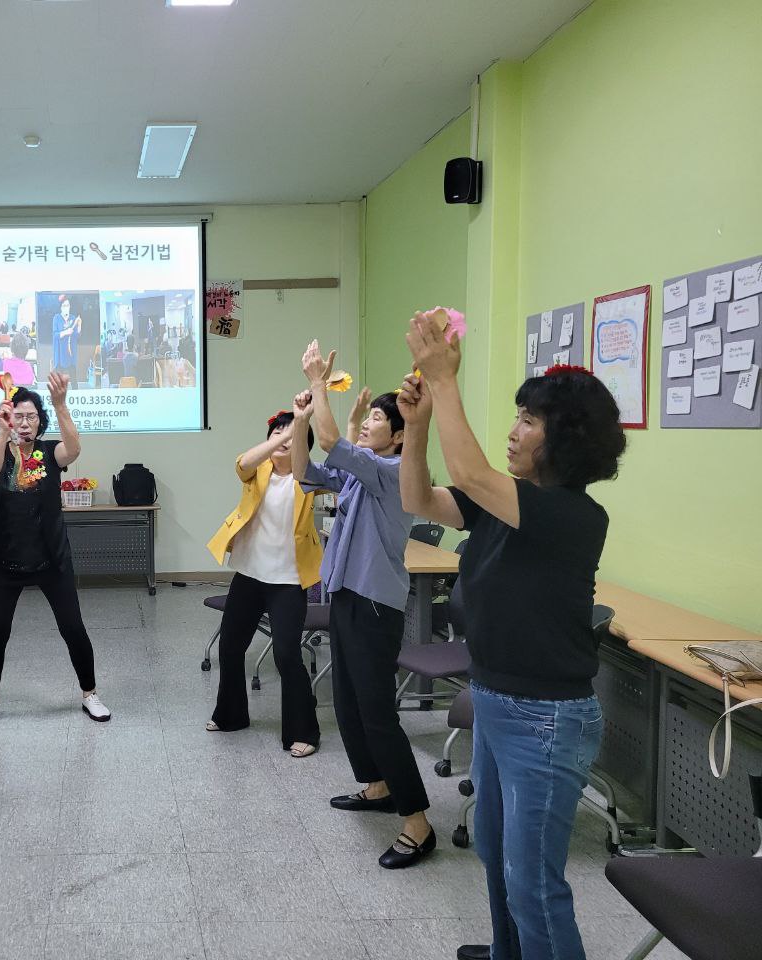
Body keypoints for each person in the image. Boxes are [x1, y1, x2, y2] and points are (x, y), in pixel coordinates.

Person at [396, 309, 626, 960]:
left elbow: (467, 476)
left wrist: (443, 379)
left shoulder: (571, 514)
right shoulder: (503, 499)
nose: (513, 430)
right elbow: (421, 498)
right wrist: (416, 429)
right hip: (497, 700)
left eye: (529, 420)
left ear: (566, 439)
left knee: (534, 883)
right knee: (496, 851)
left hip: (547, 719)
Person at [289, 341, 434, 868]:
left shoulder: (395, 473)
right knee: (347, 703)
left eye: (376, 418)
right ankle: (376, 786)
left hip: (376, 605)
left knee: (376, 712)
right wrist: (304, 420)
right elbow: (307, 469)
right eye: (369, 415)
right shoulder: (364, 467)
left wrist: (319, 389)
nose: (368, 422)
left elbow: (332, 441)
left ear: (399, 436)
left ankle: (417, 821)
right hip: (347, 596)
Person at [0, 372, 110, 729]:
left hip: (51, 560)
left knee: (73, 628)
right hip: (7, 561)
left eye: (31, 416)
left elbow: (74, 449)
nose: (24, 421)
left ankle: (90, 694)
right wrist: (3, 433)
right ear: (6, 417)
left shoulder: (50, 453)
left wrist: (61, 404)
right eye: (17, 415)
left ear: (40, 420)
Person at [205, 407, 323, 757]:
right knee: (230, 647)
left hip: (287, 579)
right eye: (276, 433)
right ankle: (231, 716)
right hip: (250, 574)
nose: (282, 439)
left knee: (287, 655)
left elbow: (305, 466)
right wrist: (283, 434)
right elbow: (242, 462)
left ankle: (305, 731)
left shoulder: (307, 478)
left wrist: (295, 433)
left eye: (291, 436)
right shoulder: (259, 472)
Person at [51, 297, 81, 387]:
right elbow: (55, 335)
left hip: (70, 353)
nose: (66, 307)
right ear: (61, 307)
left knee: (74, 381)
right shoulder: (56, 318)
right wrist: (65, 332)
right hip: (60, 354)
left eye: (67, 305)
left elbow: (77, 335)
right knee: (59, 383)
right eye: (64, 305)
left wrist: (79, 326)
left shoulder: (73, 318)